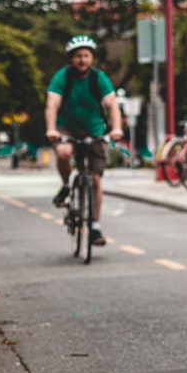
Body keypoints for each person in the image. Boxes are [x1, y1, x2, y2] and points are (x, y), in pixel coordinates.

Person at [45, 35, 123, 246]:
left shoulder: (99, 78)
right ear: (71, 58)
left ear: (91, 58)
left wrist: (116, 128)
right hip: (66, 127)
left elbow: (112, 104)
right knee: (62, 153)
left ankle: (95, 226)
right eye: (78, 56)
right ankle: (66, 185)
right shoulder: (63, 77)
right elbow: (52, 104)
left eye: (86, 56)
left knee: (95, 179)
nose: (82, 60)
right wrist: (51, 129)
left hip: (93, 130)